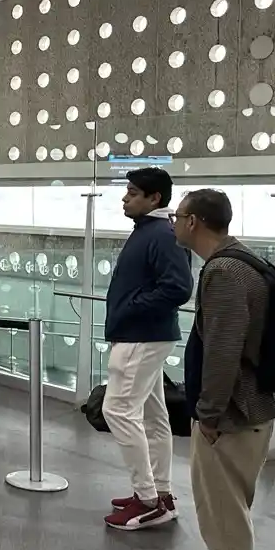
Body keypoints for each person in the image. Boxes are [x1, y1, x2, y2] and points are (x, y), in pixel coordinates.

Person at [172, 189, 275, 550]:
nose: (173, 223)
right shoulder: (236, 263)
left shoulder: (227, 272)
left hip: (235, 413)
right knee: (218, 505)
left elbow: (223, 351)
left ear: (194, 222)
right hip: (240, 411)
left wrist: (210, 414)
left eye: (177, 216)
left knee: (226, 508)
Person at [101, 167, 193, 531]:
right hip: (145, 334)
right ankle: (160, 493)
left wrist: (133, 306)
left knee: (119, 410)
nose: (125, 197)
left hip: (142, 336)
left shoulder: (162, 234)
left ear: (154, 198)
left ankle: (148, 499)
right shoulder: (150, 231)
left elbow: (179, 287)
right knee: (154, 417)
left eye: (133, 192)